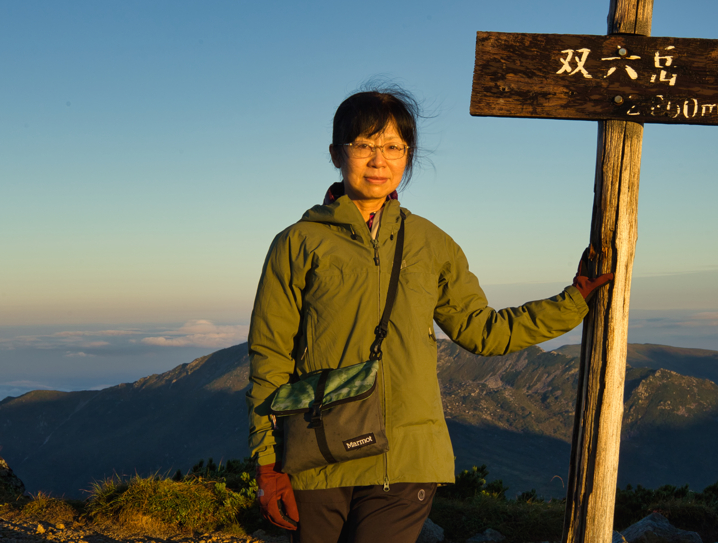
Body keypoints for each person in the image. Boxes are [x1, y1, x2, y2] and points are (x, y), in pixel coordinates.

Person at [246, 86, 613, 543]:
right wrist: (267, 462)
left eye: (393, 147)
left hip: (408, 457)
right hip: (319, 457)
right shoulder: (298, 243)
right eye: (363, 145)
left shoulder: (431, 244)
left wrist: (573, 300)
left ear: (408, 155)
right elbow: (270, 356)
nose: (378, 160)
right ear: (336, 153)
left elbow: (483, 332)